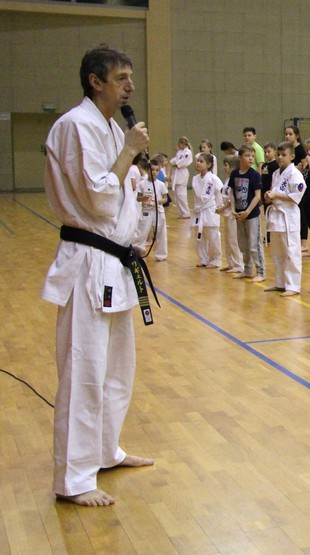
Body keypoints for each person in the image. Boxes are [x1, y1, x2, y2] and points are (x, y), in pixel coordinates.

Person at [42, 44, 154, 507]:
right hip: (88, 263)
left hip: (114, 262)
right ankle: (73, 479)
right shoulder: (75, 125)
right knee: (84, 372)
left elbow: (120, 200)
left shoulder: (108, 126)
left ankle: (105, 451)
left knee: (117, 369)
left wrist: (132, 238)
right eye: (121, 77)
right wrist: (129, 150)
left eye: (130, 77)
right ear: (96, 81)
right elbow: (98, 198)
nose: (130, 86)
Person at [264, 142, 307, 297]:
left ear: (292, 156)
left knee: (291, 250)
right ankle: (280, 282)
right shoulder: (276, 173)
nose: (280, 158)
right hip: (276, 215)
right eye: (278, 155)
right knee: (277, 252)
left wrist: (276, 195)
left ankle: (293, 285)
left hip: (289, 215)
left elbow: (297, 196)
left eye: (284, 155)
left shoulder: (295, 174)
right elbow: (275, 192)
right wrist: (269, 196)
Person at [231, 146, 265, 283]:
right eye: (247, 156)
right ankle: (247, 269)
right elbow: (232, 192)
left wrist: (248, 211)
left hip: (251, 215)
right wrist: (233, 209)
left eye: (252, 156)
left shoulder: (254, 175)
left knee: (254, 244)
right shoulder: (235, 174)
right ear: (240, 158)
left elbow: (257, 196)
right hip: (239, 215)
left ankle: (261, 272)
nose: (251, 158)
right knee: (243, 244)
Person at [191, 152, 224, 268]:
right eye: (197, 161)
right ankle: (203, 258)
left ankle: (215, 259)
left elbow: (220, 194)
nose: (198, 163)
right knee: (200, 236)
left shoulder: (214, 179)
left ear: (209, 165)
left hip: (211, 210)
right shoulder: (195, 179)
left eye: (201, 161)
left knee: (213, 236)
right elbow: (196, 196)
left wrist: (219, 207)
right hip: (199, 210)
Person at [216, 154, 245, 274]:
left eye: (226, 165)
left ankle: (239, 265)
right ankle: (231, 263)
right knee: (227, 240)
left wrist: (222, 208)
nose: (224, 167)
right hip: (226, 214)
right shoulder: (227, 180)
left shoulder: (235, 180)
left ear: (232, 166)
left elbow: (232, 199)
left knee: (234, 240)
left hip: (233, 213)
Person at [147, 155, 169, 261]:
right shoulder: (142, 183)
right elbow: (138, 197)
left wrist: (158, 201)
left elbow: (165, 199)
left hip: (158, 211)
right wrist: (144, 198)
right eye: (152, 170)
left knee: (161, 232)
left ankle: (161, 254)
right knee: (142, 232)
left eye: (157, 170)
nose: (154, 172)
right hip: (146, 211)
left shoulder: (161, 185)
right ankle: (138, 251)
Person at [169, 136, 192, 218]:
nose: (178, 145)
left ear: (183, 143)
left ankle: (186, 212)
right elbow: (174, 160)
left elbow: (183, 161)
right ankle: (181, 212)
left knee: (181, 194)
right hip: (177, 172)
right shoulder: (180, 152)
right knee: (176, 195)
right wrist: (172, 162)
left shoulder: (187, 152)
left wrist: (176, 164)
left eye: (180, 143)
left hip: (182, 172)